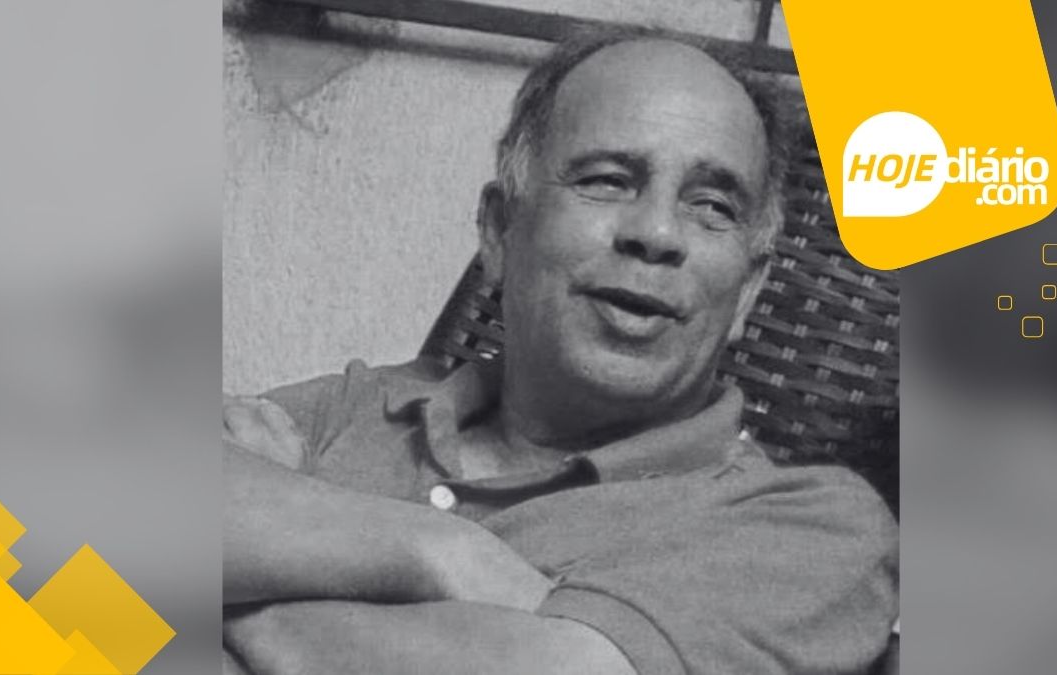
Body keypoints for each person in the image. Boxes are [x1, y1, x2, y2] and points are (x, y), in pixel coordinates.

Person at [222, 29, 897, 675]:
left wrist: (236, 595)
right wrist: (438, 551)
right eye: (608, 179)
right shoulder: (358, 404)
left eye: (713, 206)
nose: (657, 233)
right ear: (500, 231)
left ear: (748, 290)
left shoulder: (806, 526)